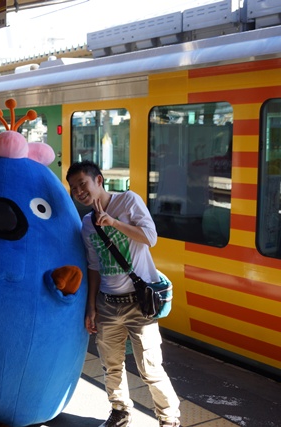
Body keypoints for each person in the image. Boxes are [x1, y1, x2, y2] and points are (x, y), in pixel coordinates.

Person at [66, 160, 181, 427]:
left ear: (99, 180)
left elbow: (150, 237)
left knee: (150, 369)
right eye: (73, 188)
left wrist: (113, 223)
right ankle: (119, 411)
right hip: (107, 303)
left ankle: (169, 419)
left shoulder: (128, 201)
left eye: (82, 184)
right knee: (111, 364)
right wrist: (91, 306)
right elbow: (94, 266)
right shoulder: (86, 223)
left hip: (139, 303)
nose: (79, 191)